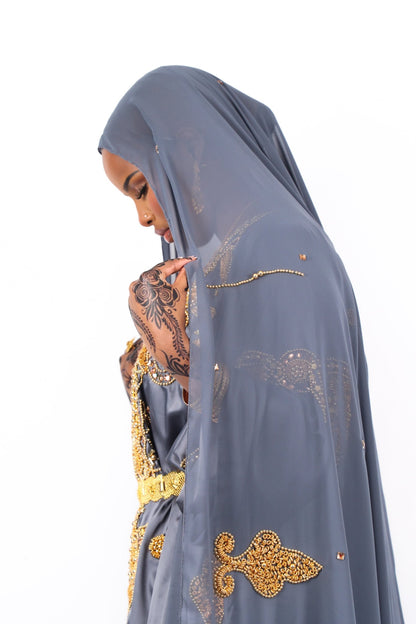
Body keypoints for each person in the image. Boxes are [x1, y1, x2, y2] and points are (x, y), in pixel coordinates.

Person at [98, 65, 405, 624]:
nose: (142, 216)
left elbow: (301, 443)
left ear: (186, 146)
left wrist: (180, 364)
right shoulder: (215, 268)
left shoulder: (281, 251)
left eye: (141, 187)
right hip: (181, 570)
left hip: (237, 583)